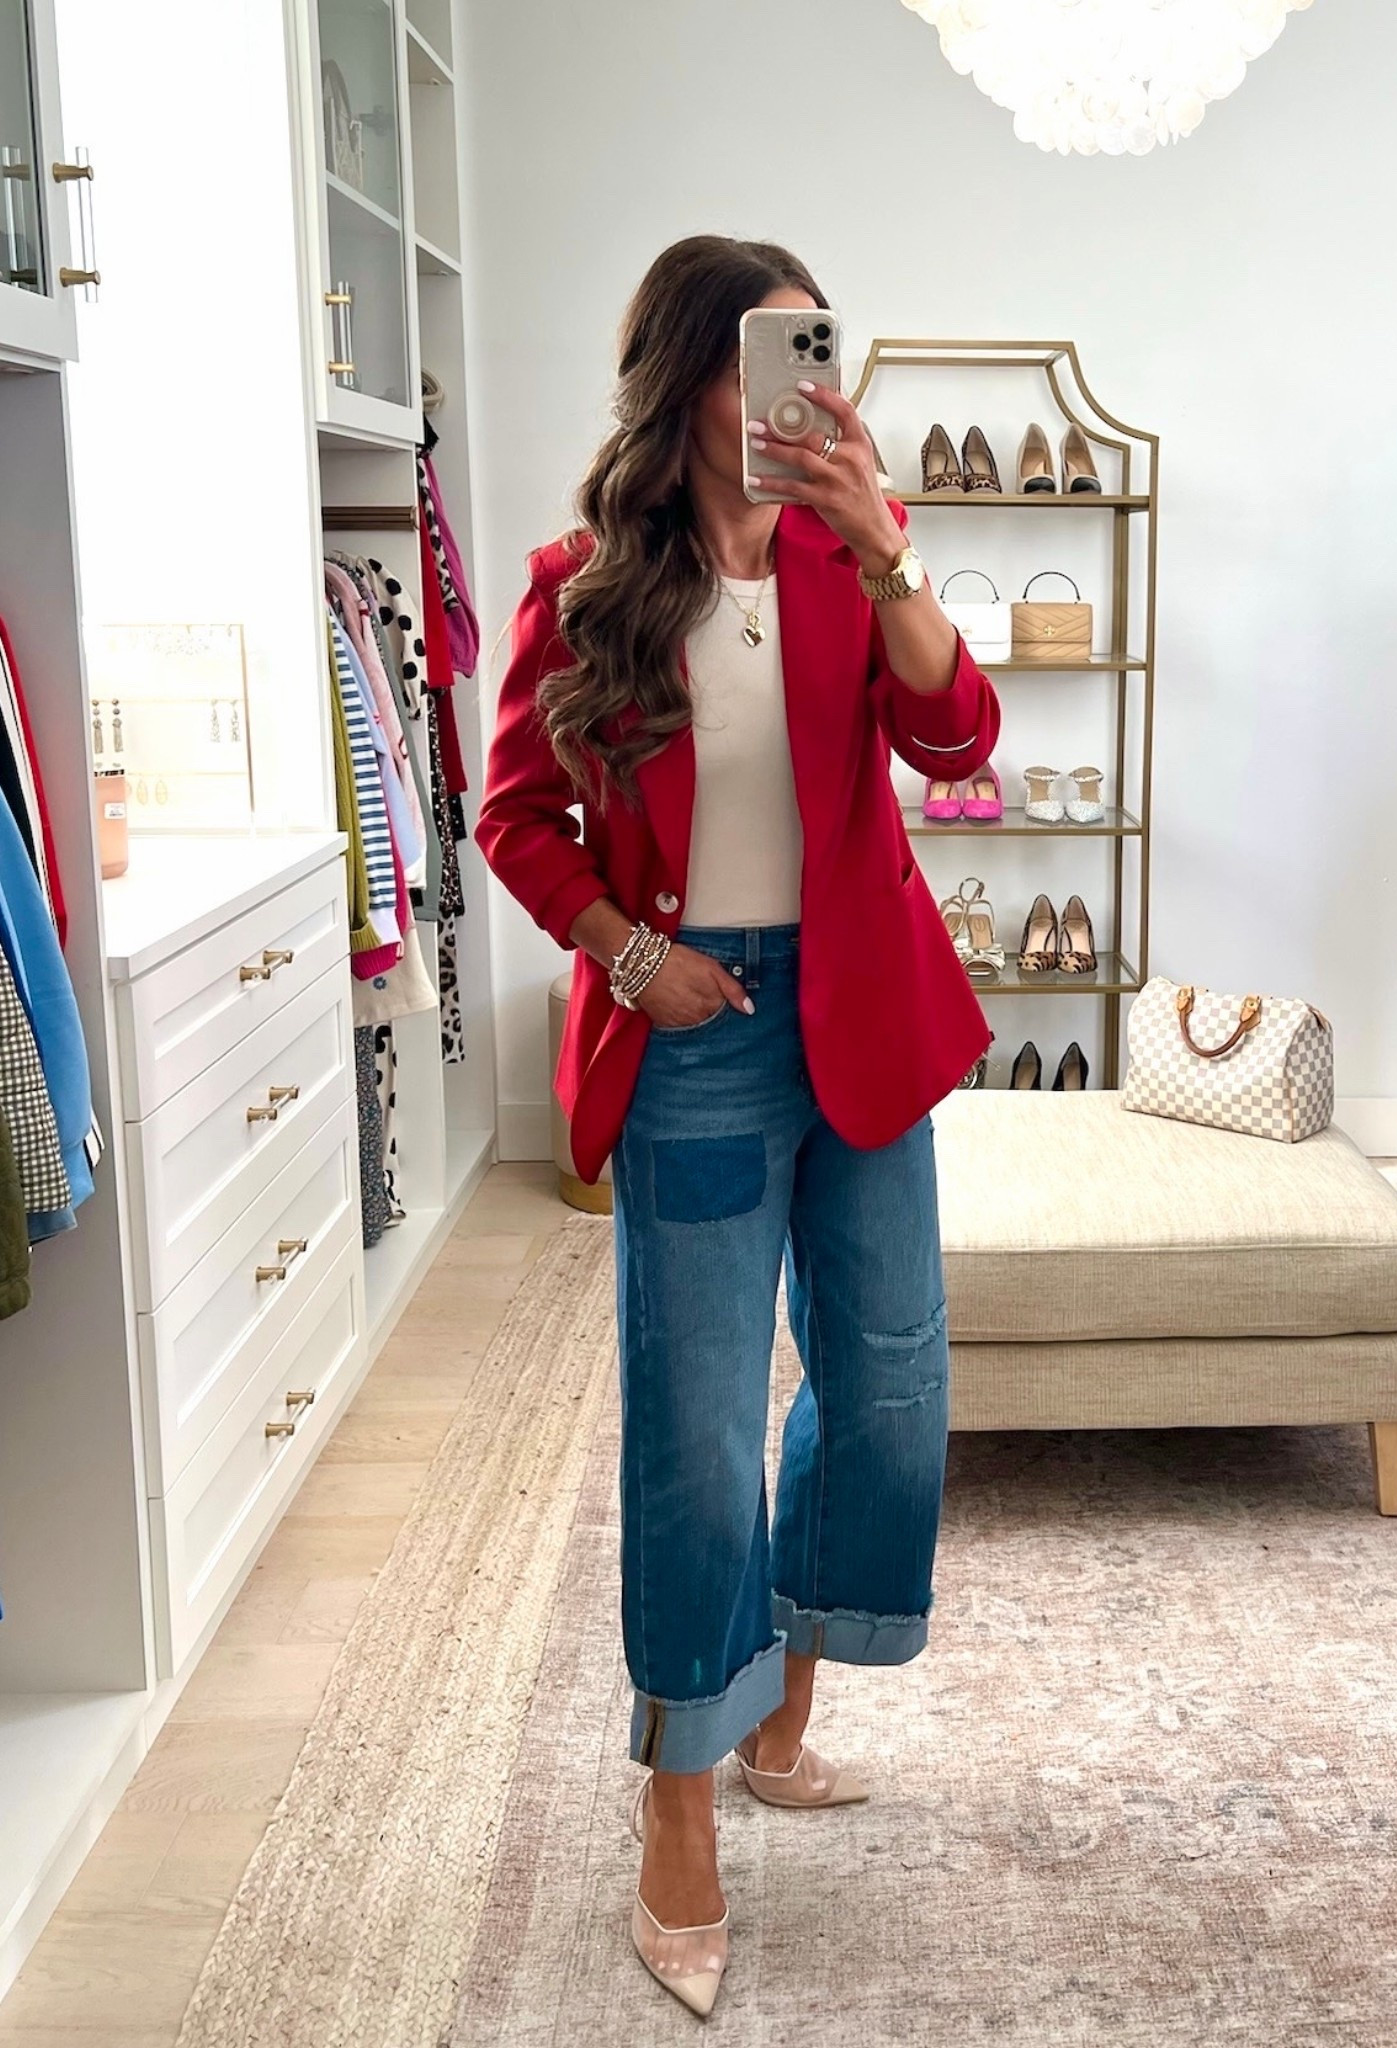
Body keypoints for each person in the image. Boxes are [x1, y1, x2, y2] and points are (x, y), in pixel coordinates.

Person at [475, 233, 1001, 2018]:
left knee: (891, 1386)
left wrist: (884, 540)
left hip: (867, 1020)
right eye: (758, 359)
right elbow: (515, 817)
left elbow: (958, 739)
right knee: (696, 1432)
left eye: (812, 356)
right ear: (687, 380)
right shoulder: (584, 586)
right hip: (698, 1030)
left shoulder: (856, 563)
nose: (793, 394)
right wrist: (635, 957)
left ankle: (787, 1716)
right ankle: (680, 1800)